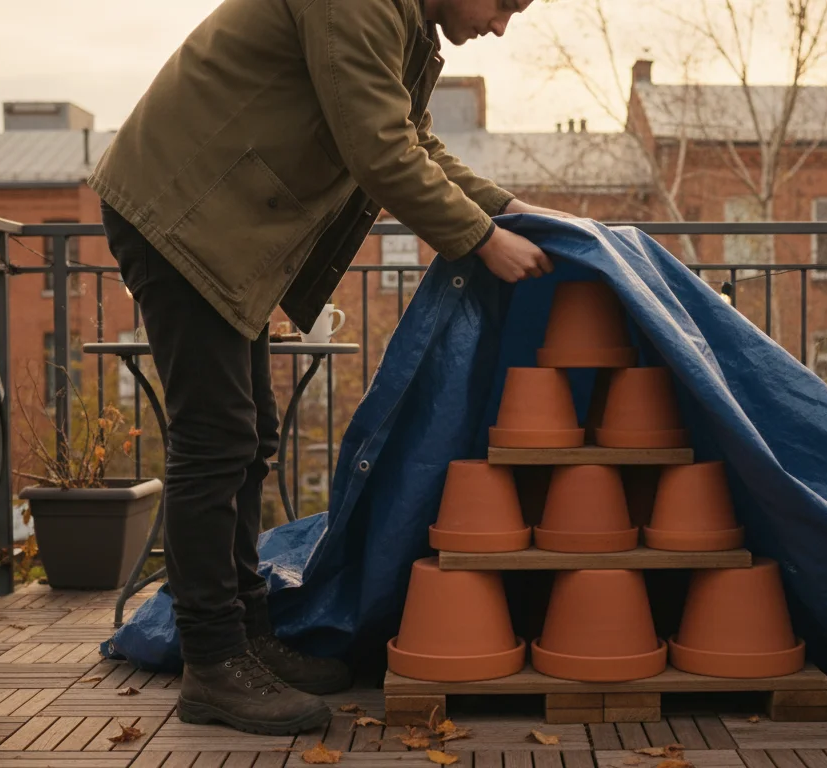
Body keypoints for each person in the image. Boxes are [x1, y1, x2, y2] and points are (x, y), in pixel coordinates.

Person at [88, 0, 570, 738]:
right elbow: (379, 152)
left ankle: (246, 639)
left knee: (247, 439)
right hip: (183, 213)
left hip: (223, 223)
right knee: (214, 440)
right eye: (505, 2)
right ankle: (214, 664)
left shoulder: (399, 19)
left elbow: (412, 141)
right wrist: (482, 240)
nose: (502, 25)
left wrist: (508, 209)